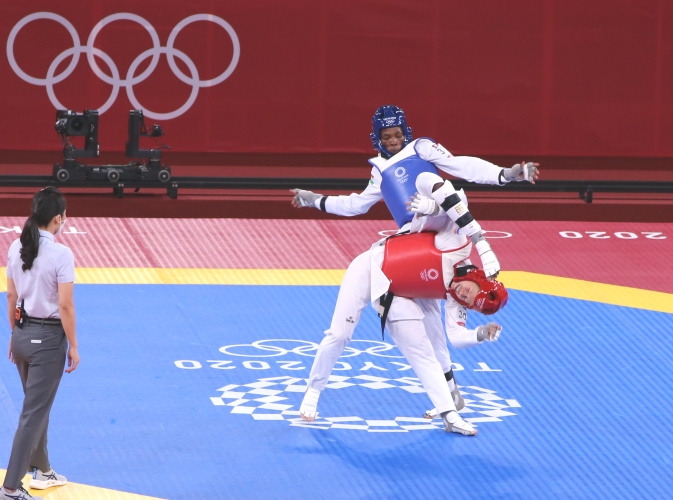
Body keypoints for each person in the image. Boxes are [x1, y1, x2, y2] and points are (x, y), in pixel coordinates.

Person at [292, 105, 537, 411]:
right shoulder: (378, 171)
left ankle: (451, 393)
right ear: (377, 138)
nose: (393, 141)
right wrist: (316, 201)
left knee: (436, 188)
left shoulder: (421, 148)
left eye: (397, 134)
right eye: (387, 137)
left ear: (405, 132)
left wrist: (504, 174)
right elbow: (355, 205)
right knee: (422, 327)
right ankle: (449, 393)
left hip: (438, 222)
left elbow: (461, 165)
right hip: (414, 238)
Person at [299, 173, 508, 436]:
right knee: (339, 335)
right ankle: (314, 390)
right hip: (369, 267)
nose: (463, 295)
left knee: (424, 350)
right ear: (478, 279)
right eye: (470, 292)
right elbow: (442, 190)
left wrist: (480, 333)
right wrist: (435, 208)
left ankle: (450, 414)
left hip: (395, 293)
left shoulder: (455, 300)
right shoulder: (457, 246)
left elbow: (456, 337)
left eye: (468, 301)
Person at [2, 187, 79, 500]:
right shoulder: (61, 255)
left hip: (21, 336)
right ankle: (10, 488)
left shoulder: (15, 247)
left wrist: (14, 334)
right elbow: (65, 306)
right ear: (58, 218)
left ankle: (43, 470)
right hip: (47, 342)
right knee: (33, 415)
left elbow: (11, 295)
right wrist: (74, 345)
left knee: (37, 406)